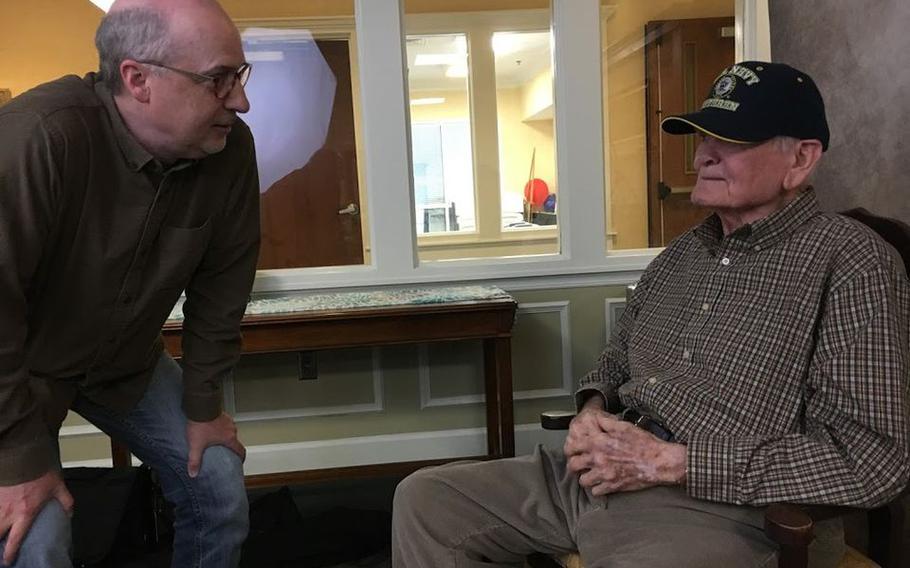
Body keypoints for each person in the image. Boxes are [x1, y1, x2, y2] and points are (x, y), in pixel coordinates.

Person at [392, 61, 910, 567]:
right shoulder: (680, 254)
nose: (702, 154)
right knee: (426, 501)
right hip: (598, 472)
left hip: (722, 509)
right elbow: (617, 359)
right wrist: (592, 411)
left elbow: (870, 460)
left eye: (730, 139)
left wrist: (671, 463)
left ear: (801, 158)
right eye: (702, 137)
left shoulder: (852, 262)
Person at [0, 0, 259, 565]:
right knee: (33, 536)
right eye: (218, 80)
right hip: (17, 373)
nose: (240, 101)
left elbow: (223, 286)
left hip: (125, 362)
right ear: (138, 79)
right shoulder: (35, 139)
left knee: (217, 481)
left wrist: (203, 404)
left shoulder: (228, 146)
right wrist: (18, 461)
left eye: (238, 76)